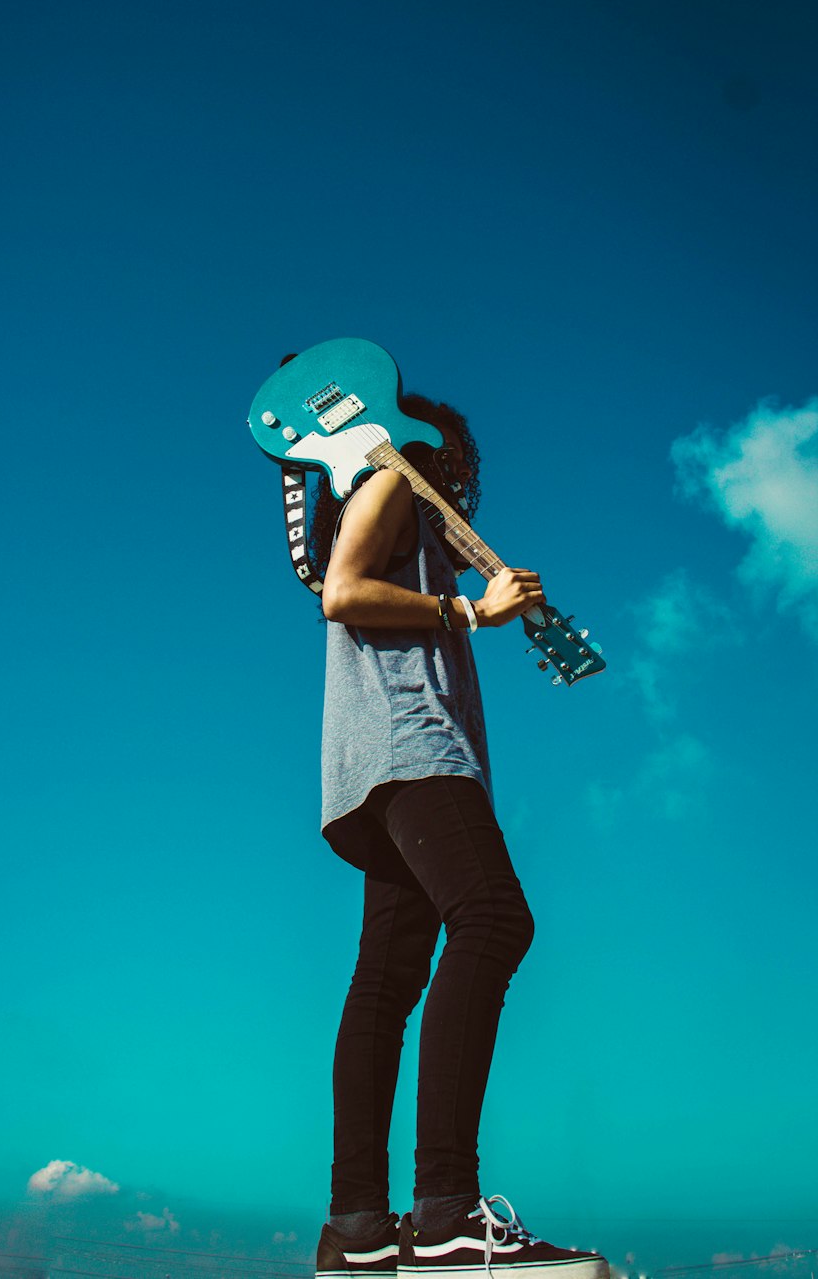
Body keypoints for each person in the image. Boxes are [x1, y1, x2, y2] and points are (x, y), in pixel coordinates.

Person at [310, 393, 608, 1279]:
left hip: (373, 767)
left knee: (388, 978)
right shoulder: (393, 481)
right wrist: (473, 613)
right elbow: (343, 593)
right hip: (411, 752)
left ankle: (358, 1226)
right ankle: (445, 1214)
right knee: (494, 920)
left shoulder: (413, 517)